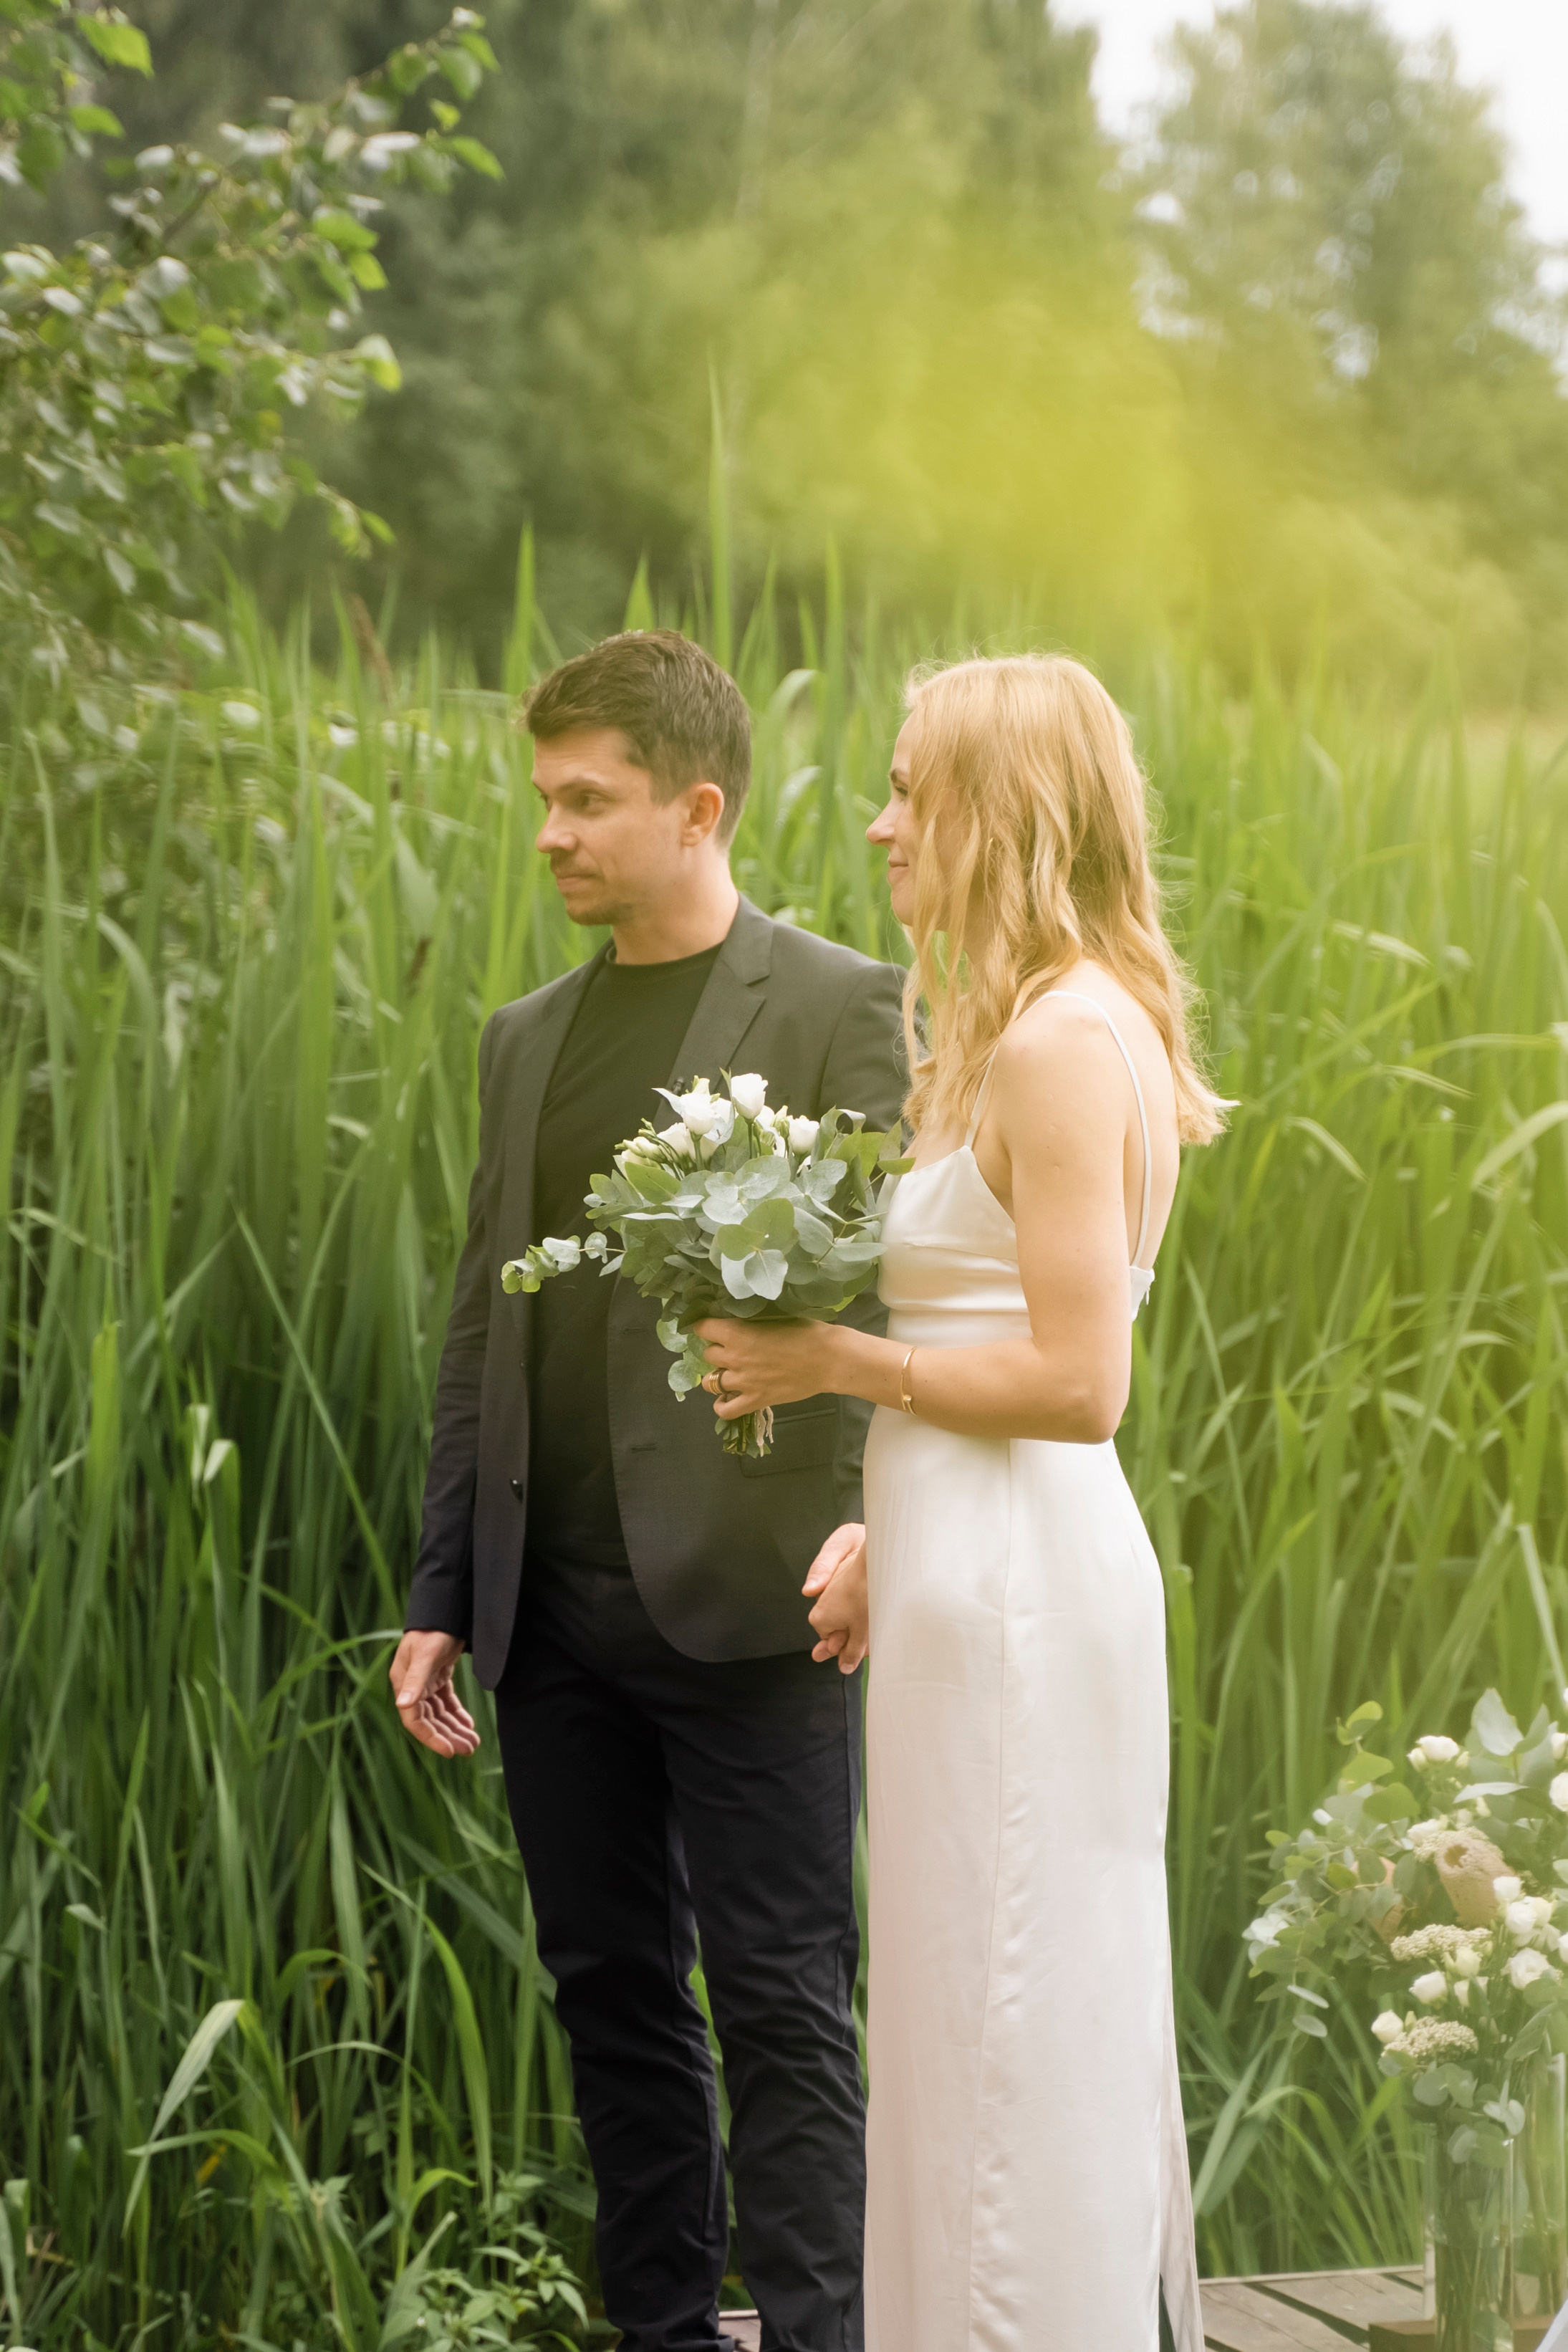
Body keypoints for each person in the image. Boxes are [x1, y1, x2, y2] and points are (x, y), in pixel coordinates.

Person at [694, 653, 1224, 2352]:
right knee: (960, 2028)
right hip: (967, 1572)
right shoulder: (1028, 1026)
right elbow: (984, 1338)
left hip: (1018, 1601)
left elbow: (1081, 1384)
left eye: (913, 787)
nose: (881, 821)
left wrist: (833, 1360)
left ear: (1000, 809)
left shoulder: (1067, 1041)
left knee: (1009, 2040)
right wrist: (881, 1528)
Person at [388, 628, 904, 2352]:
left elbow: (886, 1305)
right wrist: (444, 1587)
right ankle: (666, 2335)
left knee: (781, 2008)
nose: (551, 833)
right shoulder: (522, 1038)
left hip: (763, 1609)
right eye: (544, 800)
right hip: (556, 1619)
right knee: (611, 1999)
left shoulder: (838, 1006)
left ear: (697, 808)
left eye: (587, 802)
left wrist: (863, 1529)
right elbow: (483, 1324)